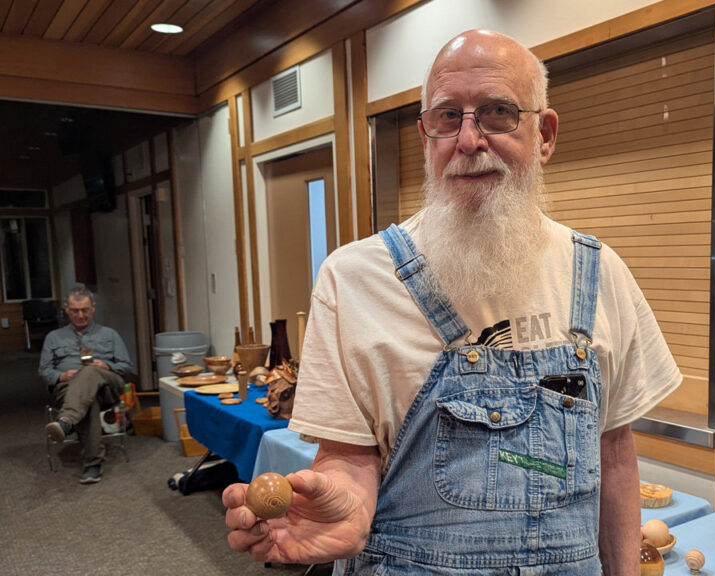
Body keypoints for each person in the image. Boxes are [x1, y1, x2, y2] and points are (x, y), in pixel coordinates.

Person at [224, 30, 682, 575]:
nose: (469, 140)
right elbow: (348, 456)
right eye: (448, 117)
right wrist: (344, 507)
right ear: (425, 136)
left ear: (545, 134)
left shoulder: (600, 272)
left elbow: (613, 450)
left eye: (497, 112)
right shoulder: (355, 280)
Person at [40, 286, 134, 484]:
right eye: (75, 311)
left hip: (108, 386)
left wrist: (106, 365)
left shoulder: (110, 334)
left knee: (90, 371)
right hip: (68, 389)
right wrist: (61, 375)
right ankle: (92, 463)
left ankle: (66, 421)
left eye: (85, 310)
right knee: (88, 400)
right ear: (67, 309)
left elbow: (126, 366)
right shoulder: (53, 337)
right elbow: (44, 371)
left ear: (93, 308)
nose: (80, 315)